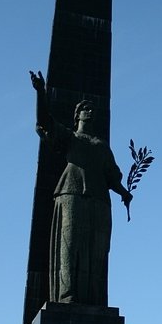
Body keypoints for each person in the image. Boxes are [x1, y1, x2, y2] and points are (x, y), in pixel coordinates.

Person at [30, 70, 132, 305]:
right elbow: (45, 122)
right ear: (77, 116)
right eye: (85, 109)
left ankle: (93, 298)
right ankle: (67, 296)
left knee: (96, 251)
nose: (90, 112)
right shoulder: (70, 138)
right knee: (70, 246)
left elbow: (111, 177)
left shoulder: (101, 146)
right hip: (72, 195)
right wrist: (40, 93)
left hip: (98, 200)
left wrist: (124, 193)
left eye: (92, 110)